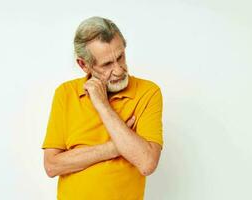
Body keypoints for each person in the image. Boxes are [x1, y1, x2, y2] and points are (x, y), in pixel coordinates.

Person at [41, 16, 164, 200]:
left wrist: (102, 105)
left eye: (120, 57)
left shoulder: (148, 92)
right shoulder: (65, 93)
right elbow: (52, 166)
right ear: (84, 65)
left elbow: (147, 162)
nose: (119, 70)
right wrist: (117, 147)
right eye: (107, 64)